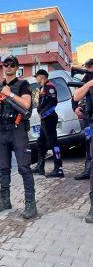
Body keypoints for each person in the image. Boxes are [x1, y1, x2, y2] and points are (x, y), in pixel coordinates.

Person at [0, 55, 37, 219]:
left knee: (24, 167)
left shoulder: (23, 85)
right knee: (3, 168)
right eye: (5, 65)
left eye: (11, 65)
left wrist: (10, 94)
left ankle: (30, 204)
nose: (8, 67)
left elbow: (27, 105)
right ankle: (4, 200)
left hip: (17, 130)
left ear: (16, 68)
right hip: (1, 131)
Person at [31, 69, 64, 178]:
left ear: (41, 77)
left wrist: (44, 114)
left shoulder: (50, 87)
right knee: (40, 143)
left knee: (53, 143)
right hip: (44, 120)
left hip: (49, 119)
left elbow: (53, 103)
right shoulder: (41, 88)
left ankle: (58, 169)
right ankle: (40, 167)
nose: (36, 79)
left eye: (36, 77)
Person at [73, 58, 93, 223]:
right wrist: (76, 108)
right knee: (88, 146)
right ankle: (87, 170)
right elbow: (77, 96)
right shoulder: (87, 79)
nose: (87, 69)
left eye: (89, 67)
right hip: (89, 120)